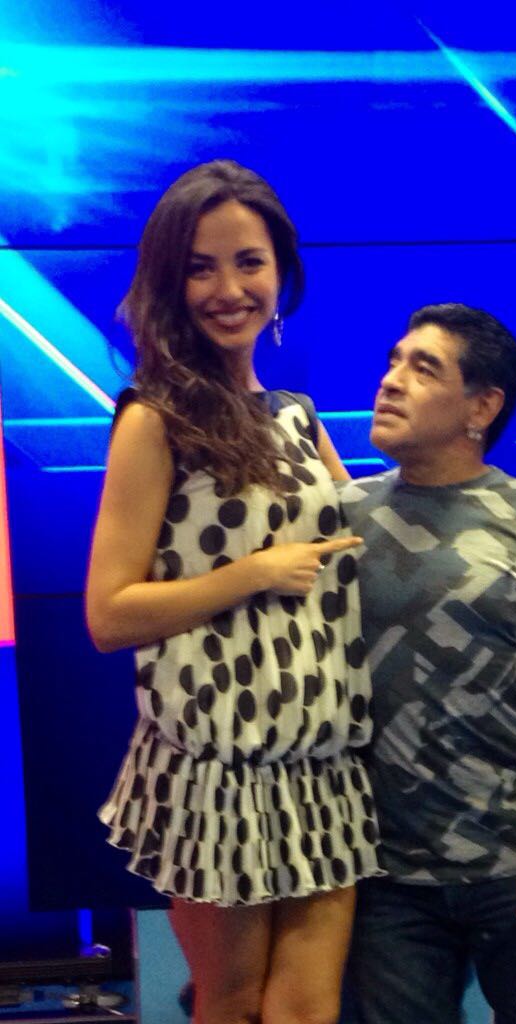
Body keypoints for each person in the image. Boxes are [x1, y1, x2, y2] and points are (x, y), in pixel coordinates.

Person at [86, 159, 382, 1024]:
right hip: (219, 771)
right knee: (235, 1004)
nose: (228, 289)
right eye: (201, 268)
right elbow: (108, 613)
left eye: (249, 262)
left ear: (281, 270)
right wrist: (251, 574)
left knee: (307, 1010)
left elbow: (360, 552)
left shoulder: (299, 415)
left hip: (321, 765)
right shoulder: (155, 418)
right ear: (169, 283)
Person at [339, 303, 516, 1024]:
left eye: (423, 368)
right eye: (394, 361)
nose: (391, 380)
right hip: (386, 881)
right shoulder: (339, 518)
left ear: (482, 407)